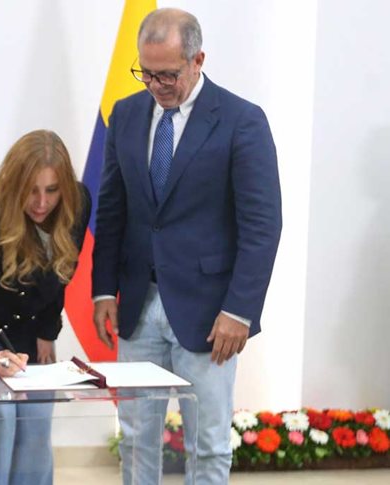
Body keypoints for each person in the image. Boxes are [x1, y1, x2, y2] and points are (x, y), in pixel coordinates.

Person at [91, 8, 282, 485]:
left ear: (198, 59)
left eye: (168, 74)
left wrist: (240, 310)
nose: (156, 84)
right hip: (137, 304)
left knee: (208, 443)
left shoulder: (242, 120)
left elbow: (262, 224)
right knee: (135, 438)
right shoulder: (127, 113)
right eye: (147, 73)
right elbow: (112, 209)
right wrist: (102, 290)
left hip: (211, 312)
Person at [0, 129, 91, 485]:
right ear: (13, 184)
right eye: (31, 190)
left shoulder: (78, 203)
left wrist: (46, 332)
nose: (41, 202)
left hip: (31, 321)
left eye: (51, 190)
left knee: (35, 430)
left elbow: (62, 273)